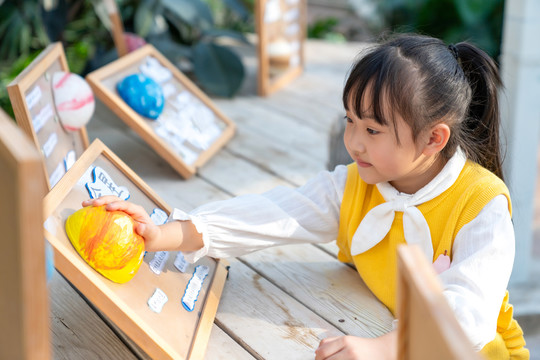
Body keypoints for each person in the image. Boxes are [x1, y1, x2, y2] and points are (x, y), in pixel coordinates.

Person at [83, 33, 529, 359]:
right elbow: (275, 212)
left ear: (434, 139)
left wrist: (382, 350)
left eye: (372, 130)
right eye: (350, 120)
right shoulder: (357, 183)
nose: (353, 142)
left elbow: (469, 313)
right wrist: (165, 232)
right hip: (365, 321)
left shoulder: (482, 205)